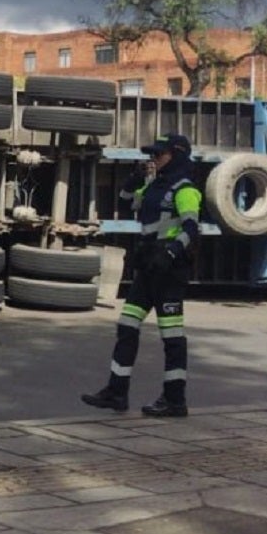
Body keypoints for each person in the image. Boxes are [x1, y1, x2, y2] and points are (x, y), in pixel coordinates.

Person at [82, 133, 202, 417]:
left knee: (172, 336)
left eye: (160, 154)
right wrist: (133, 179)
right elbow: (126, 203)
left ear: (177, 156)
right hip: (148, 268)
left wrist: (171, 252)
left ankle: (174, 400)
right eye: (152, 154)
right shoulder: (154, 187)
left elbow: (191, 229)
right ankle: (116, 393)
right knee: (126, 327)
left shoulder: (185, 190)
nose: (154, 158)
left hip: (169, 271)